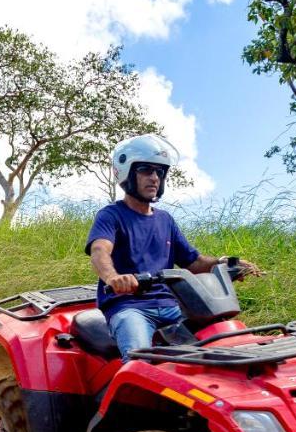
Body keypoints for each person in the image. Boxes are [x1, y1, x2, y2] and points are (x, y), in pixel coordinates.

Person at [85, 134, 260, 361]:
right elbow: (100, 250)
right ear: (127, 173)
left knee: (222, 345)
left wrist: (222, 264)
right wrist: (113, 278)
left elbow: (193, 261)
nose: (155, 178)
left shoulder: (165, 220)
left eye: (159, 172)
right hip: (131, 308)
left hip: (172, 306)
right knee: (140, 361)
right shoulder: (111, 215)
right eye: (146, 170)